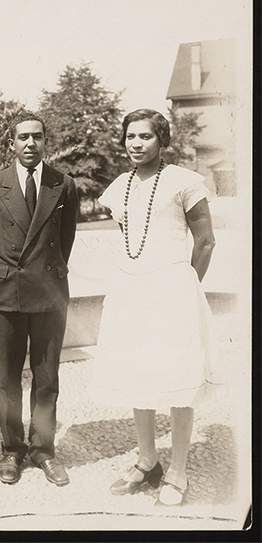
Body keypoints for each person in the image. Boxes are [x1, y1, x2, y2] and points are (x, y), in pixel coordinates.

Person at [88, 108, 219, 507]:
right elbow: (133, 241)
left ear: (162, 140)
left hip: (174, 293)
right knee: (137, 374)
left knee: (180, 378)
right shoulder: (119, 187)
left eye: (145, 136)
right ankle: (147, 460)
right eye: (130, 136)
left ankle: (178, 469)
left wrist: (185, 287)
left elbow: (206, 241)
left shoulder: (184, 181)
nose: (136, 143)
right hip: (131, 294)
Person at [0, 110, 79, 487]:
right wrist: (6, 275)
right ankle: (12, 449)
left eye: (37, 136)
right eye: (23, 137)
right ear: (11, 143)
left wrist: (46, 272)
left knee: (47, 377)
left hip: (49, 293)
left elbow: (65, 239)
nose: (30, 143)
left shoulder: (63, 184)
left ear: (45, 141)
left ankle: (43, 449)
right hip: (7, 294)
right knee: (8, 379)